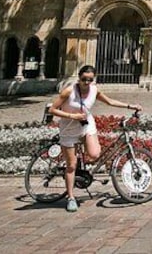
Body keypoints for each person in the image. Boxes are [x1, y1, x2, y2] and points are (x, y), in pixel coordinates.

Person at [48, 65, 142, 213]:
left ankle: (78, 166)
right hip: (69, 128)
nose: (86, 82)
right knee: (71, 166)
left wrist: (131, 106)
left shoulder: (94, 90)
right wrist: (72, 116)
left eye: (90, 80)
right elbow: (52, 109)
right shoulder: (69, 91)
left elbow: (110, 101)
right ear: (79, 78)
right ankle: (71, 198)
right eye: (84, 79)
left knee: (94, 154)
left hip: (86, 125)